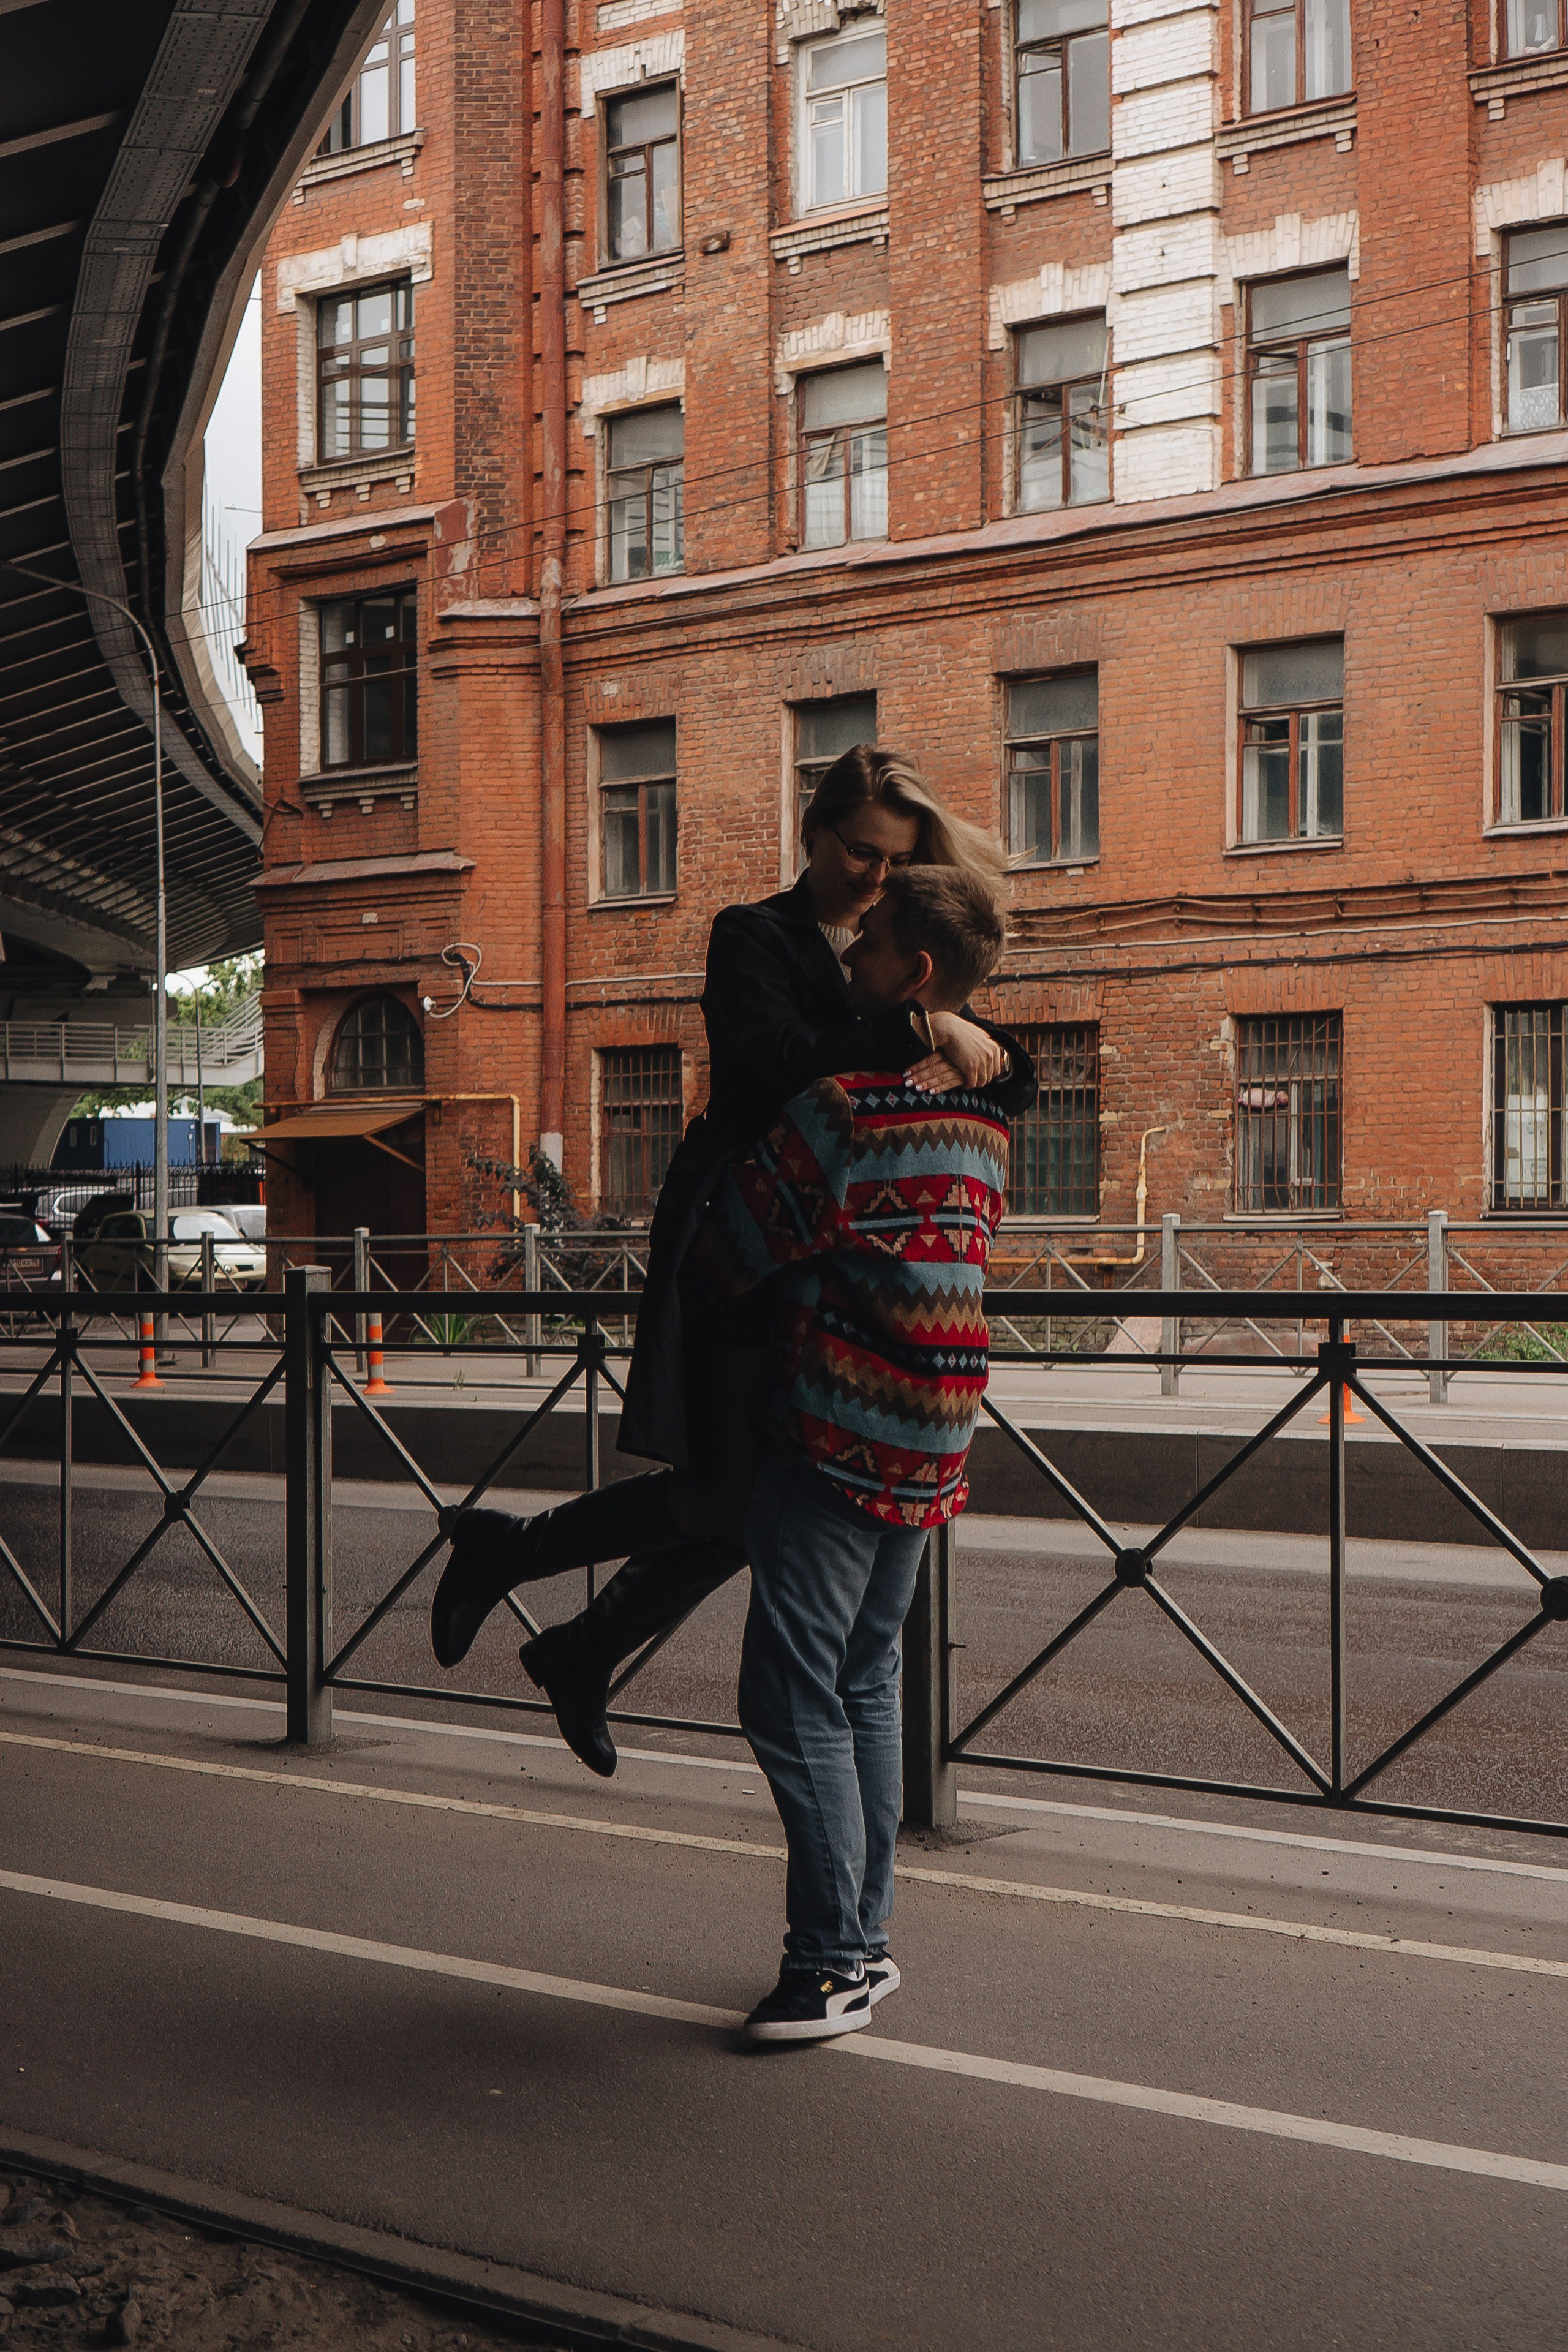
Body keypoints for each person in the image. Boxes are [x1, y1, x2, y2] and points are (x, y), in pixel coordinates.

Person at [428, 748, 1033, 1764]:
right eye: (859, 853)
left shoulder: (910, 953)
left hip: (827, 1278)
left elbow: (1008, 1083)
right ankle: (549, 1601)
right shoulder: (755, 935)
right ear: (813, 833)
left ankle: (563, 1620)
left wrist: (977, 1037)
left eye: (897, 860)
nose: (877, 879)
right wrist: (921, 1024)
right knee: (736, 1501)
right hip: (736, 1243)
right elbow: (774, 1067)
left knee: (755, 1504)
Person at [684, 865, 1013, 2040]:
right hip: (934, 1438)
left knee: (788, 1697)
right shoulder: (982, 1120)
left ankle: (825, 1963)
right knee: (866, 1683)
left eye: (867, 942)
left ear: (913, 975)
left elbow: (730, 1249)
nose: (847, 954)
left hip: (837, 1433)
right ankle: (864, 1947)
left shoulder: (842, 1113)